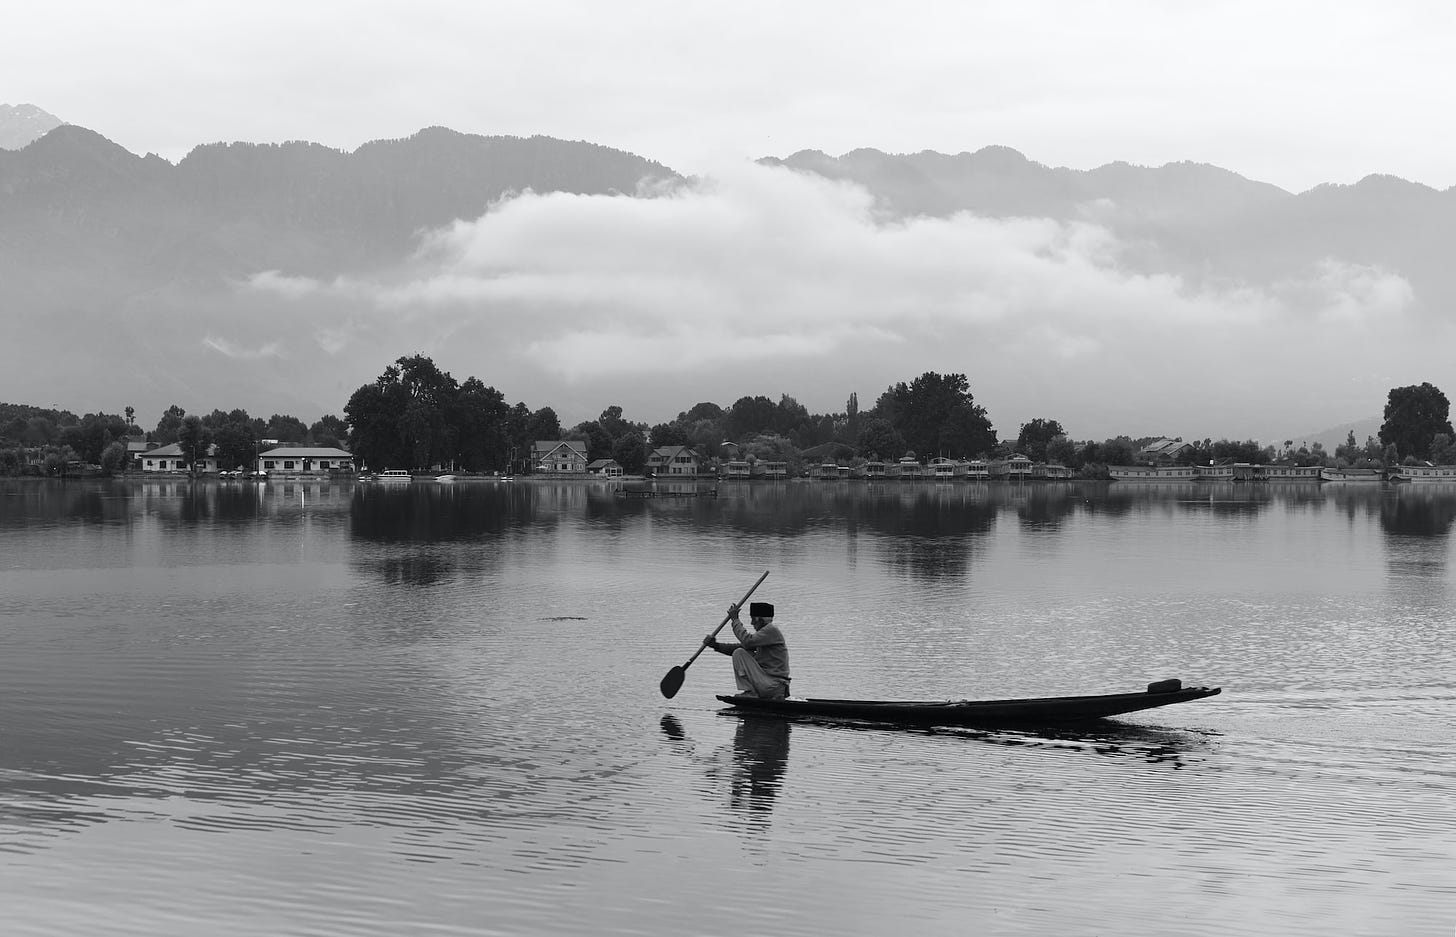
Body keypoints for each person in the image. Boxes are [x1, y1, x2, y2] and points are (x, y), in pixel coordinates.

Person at [703, 601, 791, 699]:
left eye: (753, 619)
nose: (752, 623)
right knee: (740, 651)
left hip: (773, 685)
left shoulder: (771, 630)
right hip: (768, 684)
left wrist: (735, 619)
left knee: (739, 653)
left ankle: (751, 692)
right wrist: (715, 645)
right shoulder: (764, 635)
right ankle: (753, 692)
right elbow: (742, 647)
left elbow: (747, 641)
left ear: (760, 620)